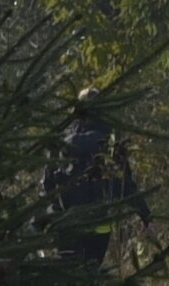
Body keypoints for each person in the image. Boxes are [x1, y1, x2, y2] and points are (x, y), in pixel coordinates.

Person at [43, 88, 141, 266]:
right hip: (99, 225)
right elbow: (126, 184)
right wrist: (146, 217)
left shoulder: (61, 138)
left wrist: (51, 213)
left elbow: (48, 183)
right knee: (91, 274)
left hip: (66, 223)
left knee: (69, 273)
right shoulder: (109, 141)